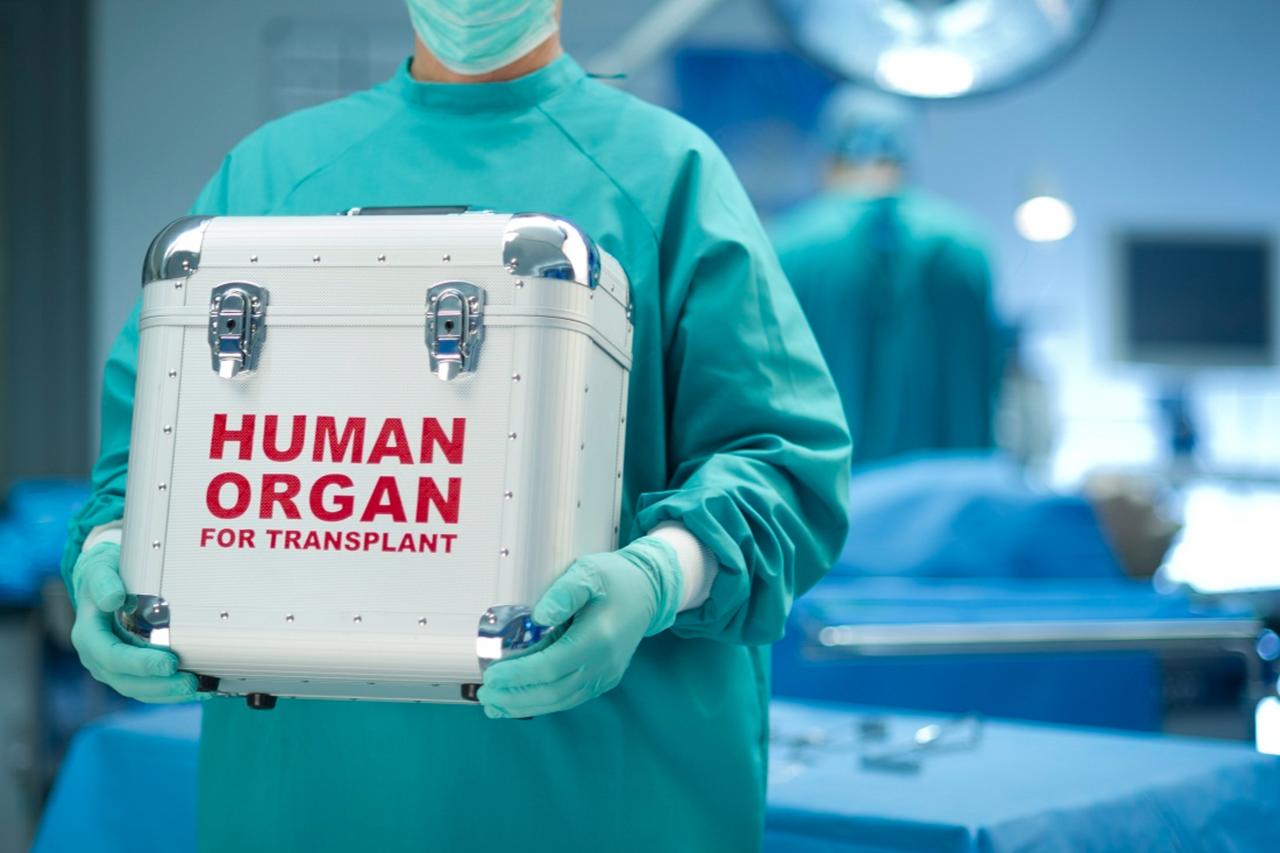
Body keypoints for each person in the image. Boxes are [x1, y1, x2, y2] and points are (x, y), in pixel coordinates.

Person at [61, 2, 851, 851]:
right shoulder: (267, 176)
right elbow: (144, 459)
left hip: (598, 799)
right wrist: (111, 558)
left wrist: (658, 577)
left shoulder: (665, 173)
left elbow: (784, 468)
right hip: (313, 803)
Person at [772, 86, 1002, 467]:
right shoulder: (964, 245)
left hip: (827, 511)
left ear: (828, 158)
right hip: (947, 507)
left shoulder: (791, 247)